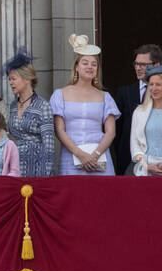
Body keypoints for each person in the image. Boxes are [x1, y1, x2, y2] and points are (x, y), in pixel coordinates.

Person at [51, 35, 120, 175]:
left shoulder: (105, 97)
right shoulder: (60, 94)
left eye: (94, 64)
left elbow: (111, 132)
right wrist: (80, 154)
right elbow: (59, 130)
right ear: (76, 67)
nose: (90, 67)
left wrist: (95, 155)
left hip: (99, 160)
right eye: (85, 63)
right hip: (71, 159)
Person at [4, 49, 57, 177]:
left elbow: (49, 146)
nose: (10, 83)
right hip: (14, 168)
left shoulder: (43, 106)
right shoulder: (12, 106)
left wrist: (44, 175)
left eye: (13, 79)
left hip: (37, 168)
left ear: (27, 79)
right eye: (9, 79)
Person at [111, 44, 161, 176]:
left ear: (157, 65)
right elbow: (117, 130)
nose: (138, 68)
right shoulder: (124, 93)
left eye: (143, 64)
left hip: (160, 161)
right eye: (136, 64)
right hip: (129, 161)